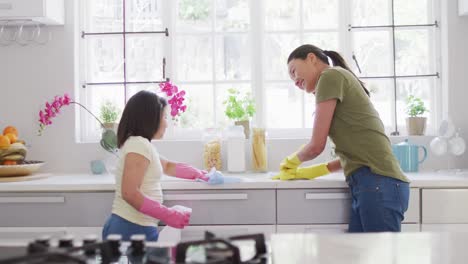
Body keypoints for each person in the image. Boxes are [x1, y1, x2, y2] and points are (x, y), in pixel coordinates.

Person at [274, 44, 410, 233]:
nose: (294, 81)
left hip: (377, 183)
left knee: (380, 257)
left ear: (311, 58)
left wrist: (291, 162)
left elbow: (316, 146)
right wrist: (313, 171)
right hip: (373, 183)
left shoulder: (330, 76)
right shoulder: (336, 78)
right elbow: (358, 152)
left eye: (294, 71)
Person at [102, 90, 208, 241]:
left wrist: (202, 174)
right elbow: (130, 193)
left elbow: (168, 166)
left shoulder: (141, 144)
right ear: (150, 119)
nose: (166, 123)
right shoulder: (138, 145)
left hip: (133, 227)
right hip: (130, 228)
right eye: (164, 116)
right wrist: (168, 214)